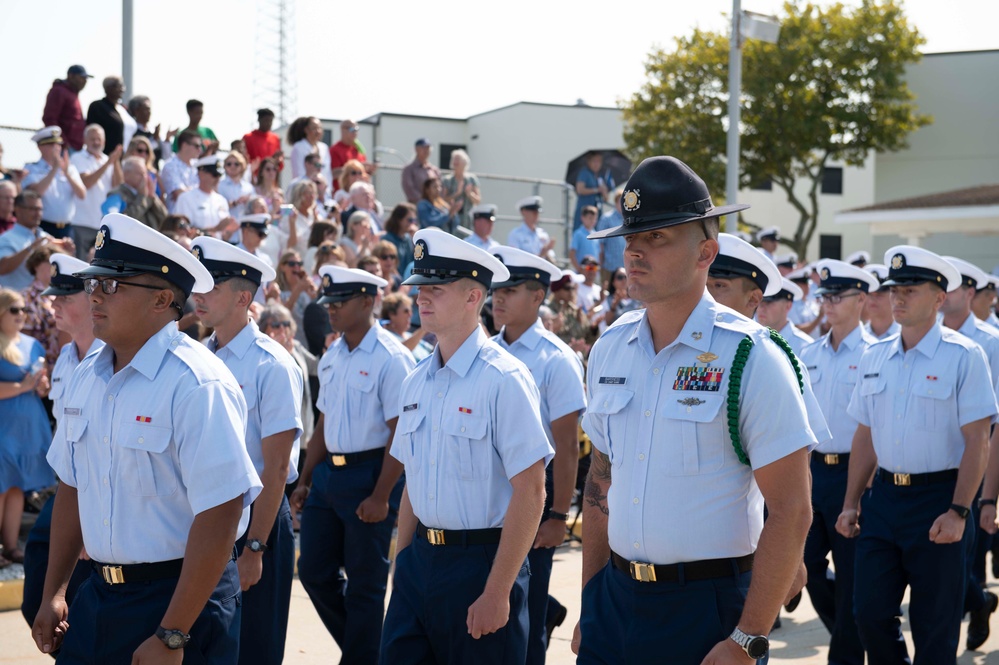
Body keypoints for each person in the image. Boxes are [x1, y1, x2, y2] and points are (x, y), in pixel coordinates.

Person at [575, 156, 817, 664]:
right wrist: (591, 601)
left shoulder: (752, 356)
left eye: (658, 237)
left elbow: (792, 510)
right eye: (631, 238)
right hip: (614, 602)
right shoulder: (611, 348)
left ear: (706, 252)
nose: (635, 250)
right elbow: (600, 484)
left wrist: (748, 638)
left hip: (707, 609)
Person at [32, 212, 263, 662]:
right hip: (100, 593)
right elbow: (72, 486)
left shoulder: (197, 382)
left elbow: (221, 513)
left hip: (180, 600)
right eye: (94, 283)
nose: (95, 296)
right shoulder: (88, 375)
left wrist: (173, 634)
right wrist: (54, 591)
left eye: (112, 286)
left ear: (161, 300)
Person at [380, 229, 552, 665]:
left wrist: (497, 591)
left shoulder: (504, 379)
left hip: (482, 564)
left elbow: (531, 490)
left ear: (474, 296)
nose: (421, 298)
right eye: (420, 288)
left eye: (436, 289)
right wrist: (403, 567)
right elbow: (412, 486)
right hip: (421, 562)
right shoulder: (416, 380)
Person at [836, 245, 997, 665]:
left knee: (934, 627)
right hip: (885, 499)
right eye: (894, 290)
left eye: (911, 289)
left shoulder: (964, 356)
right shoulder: (876, 357)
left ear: (940, 298)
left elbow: (979, 440)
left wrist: (960, 510)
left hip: (939, 499)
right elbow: (865, 436)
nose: (899, 298)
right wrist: (851, 503)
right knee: (868, 615)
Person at [291, 265, 415, 663]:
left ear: (368, 301)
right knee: (313, 570)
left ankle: (362, 656)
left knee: (365, 584)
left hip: (371, 473)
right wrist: (306, 480)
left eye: (340, 302)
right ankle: (371, 652)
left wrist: (382, 494)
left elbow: (401, 432)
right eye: (328, 302)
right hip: (329, 476)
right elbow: (324, 424)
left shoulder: (392, 357)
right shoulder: (333, 354)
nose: (331, 309)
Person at [192, 237, 303, 665]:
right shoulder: (200, 355)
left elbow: (275, 468)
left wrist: (255, 547)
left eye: (211, 287)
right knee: (209, 642)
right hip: (209, 517)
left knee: (255, 646)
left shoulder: (271, 364)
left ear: (243, 297)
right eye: (197, 285)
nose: (199, 296)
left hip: (257, 519)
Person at [491, 245, 586, 663]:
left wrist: (558, 517)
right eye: (495, 290)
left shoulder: (556, 360)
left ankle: (543, 616)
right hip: (489, 496)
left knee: (524, 623)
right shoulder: (484, 350)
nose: (498, 298)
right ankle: (548, 611)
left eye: (510, 290)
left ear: (537, 296)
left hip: (534, 496)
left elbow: (566, 446)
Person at [796, 259, 879, 665]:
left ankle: (845, 654)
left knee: (850, 576)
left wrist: (863, 488)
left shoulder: (872, 354)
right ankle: (849, 633)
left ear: (861, 299)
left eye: (837, 296)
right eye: (824, 295)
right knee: (806, 563)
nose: (827, 303)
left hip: (854, 474)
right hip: (812, 473)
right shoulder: (809, 353)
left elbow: (875, 428)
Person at [21, 253, 102, 628]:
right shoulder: (68, 357)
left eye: (64, 298)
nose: (53, 304)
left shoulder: (112, 359)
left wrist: (90, 519)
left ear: (91, 299)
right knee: (38, 584)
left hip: (99, 495)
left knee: (85, 603)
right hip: (69, 489)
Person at [941, 255, 999, 650]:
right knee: (946, 563)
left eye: (952, 286)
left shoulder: (990, 344)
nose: (943, 294)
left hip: (975, 460)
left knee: (967, 558)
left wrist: (989, 495)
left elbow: (993, 425)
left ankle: (975, 603)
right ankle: (979, 601)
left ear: (970, 292)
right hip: (933, 462)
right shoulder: (921, 335)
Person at [0, 287, 54, 567]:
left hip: (28, 424)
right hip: (3, 425)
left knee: (17, 487)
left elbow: (41, 389)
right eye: (14, 310)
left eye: (23, 309)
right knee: (1, 486)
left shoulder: (34, 345)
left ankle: (10, 547)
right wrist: (22, 386)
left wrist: (41, 386)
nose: (21, 315)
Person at [0, 191, 75, 291]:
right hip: (16, 302)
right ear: (17, 209)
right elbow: (2, 268)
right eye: (33, 209)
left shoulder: (46, 237)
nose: (38, 213)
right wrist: (31, 248)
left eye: (40, 209)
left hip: (45, 301)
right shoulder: (6, 238)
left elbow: (64, 272)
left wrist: (68, 253)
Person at [22, 127, 85, 240]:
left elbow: (82, 194)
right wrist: (54, 170)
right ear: (40, 147)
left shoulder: (70, 169)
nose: (56, 148)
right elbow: (36, 193)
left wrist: (66, 174)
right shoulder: (32, 168)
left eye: (59, 145)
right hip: (44, 226)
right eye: (51, 145)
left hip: (67, 228)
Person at [70, 125, 122, 258]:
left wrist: (115, 162)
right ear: (85, 140)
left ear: (104, 142)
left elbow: (118, 186)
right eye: (92, 139)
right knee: (80, 265)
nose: (96, 142)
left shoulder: (107, 160)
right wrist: (108, 163)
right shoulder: (77, 158)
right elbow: (87, 182)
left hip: (103, 225)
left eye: (99, 139)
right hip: (82, 222)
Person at [174, 154, 237, 236]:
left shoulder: (221, 200)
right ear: (201, 173)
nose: (217, 179)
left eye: (219, 175)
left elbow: (224, 236)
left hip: (218, 247)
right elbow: (183, 232)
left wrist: (229, 231)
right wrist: (215, 229)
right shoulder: (186, 198)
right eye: (214, 175)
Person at [101, 156, 169, 231]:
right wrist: (141, 197)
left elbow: (165, 220)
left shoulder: (148, 195)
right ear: (126, 174)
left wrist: (153, 197)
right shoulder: (117, 194)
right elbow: (121, 222)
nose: (144, 178)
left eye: (145, 174)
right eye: (139, 174)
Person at [21, 246, 62, 365]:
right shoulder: (26, 296)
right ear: (36, 265)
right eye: (49, 262)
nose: (53, 267)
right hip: (39, 365)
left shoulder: (60, 294)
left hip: (61, 363)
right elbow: (24, 338)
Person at [756, 277, 814, 355]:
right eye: (760, 301)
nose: (761, 308)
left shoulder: (805, 347)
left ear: (788, 306)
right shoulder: (751, 339)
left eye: (769, 302)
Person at [42, 65, 91, 153]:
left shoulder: (72, 93)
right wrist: (63, 143)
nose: (84, 81)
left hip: (76, 147)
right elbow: (49, 119)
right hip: (65, 148)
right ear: (71, 76)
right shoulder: (59, 91)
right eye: (81, 77)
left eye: (86, 78)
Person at [85, 76, 135, 155]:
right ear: (109, 88)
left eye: (123, 86)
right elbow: (92, 131)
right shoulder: (97, 106)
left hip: (126, 157)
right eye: (119, 86)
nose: (122, 89)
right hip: (107, 157)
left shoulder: (123, 108)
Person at [161, 129, 202, 212]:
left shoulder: (198, 165)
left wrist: (189, 191)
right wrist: (200, 192)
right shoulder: (170, 165)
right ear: (184, 145)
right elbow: (180, 194)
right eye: (196, 146)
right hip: (178, 218)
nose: (200, 150)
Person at [128, 95, 175, 165]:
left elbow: (167, 157)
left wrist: (167, 139)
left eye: (149, 109)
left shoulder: (153, 131)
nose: (149, 112)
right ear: (136, 111)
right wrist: (155, 140)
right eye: (146, 109)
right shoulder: (131, 130)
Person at [441, 149, 481, 231]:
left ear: (464, 162)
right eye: (454, 159)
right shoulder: (447, 180)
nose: (455, 162)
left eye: (458, 159)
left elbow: (478, 200)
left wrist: (469, 194)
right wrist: (456, 194)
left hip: (468, 219)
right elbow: (442, 200)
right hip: (451, 218)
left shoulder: (472, 179)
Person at [288, 116, 333, 185]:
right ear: (306, 130)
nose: (318, 131)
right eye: (314, 128)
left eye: (319, 128)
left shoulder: (324, 147)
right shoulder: (298, 147)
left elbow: (327, 173)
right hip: (304, 190)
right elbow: (299, 172)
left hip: (323, 192)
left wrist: (326, 191)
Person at [861, 264, 901, 340]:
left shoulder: (905, 336)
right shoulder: (859, 337)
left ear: (893, 294)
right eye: (869, 294)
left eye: (879, 294)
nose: (872, 299)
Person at [596, 267, 642, 333]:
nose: (623, 280)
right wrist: (614, 306)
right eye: (620, 277)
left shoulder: (638, 299)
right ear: (613, 282)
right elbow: (606, 321)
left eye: (625, 277)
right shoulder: (608, 299)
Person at [329, 119, 372, 189]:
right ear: (343, 130)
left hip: (358, 193)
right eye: (352, 129)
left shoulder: (359, 149)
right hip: (342, 194)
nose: (355, 132)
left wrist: (369, 170)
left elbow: (363, 174)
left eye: (357, 129)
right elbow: (333, 174)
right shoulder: (334, 150)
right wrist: (355, 167)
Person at [573, 151, 610, 231]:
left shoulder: (600, 176)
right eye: (594, 161)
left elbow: (606, 198)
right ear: (589, 162)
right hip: (585, 212)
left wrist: (604, 191)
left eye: (599, 161)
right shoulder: (584, 172)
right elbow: (580, 189)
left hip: (596, 213)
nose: (597, 164)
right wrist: (596, 190)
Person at [596, 190, 626, 287]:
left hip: (624, 266)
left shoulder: (628, 219)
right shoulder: (606, 218)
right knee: (606, 292)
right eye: (620, 201)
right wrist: (600, 264)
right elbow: (600, 243)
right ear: (616, 202)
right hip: (608, 266)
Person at [243, 108, 284, 179]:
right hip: (254, 177)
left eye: (270, 121)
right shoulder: (248, 137)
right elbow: (244, 159)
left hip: (270, 177)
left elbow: (279, 162)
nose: (268, 123)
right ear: (259, 120)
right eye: (266, 120)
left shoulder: (275, 138)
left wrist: (277, 160)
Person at [401, 138, 441, 204]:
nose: (426, 151)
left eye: (428, 148)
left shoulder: (434, 170)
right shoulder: (409, 169)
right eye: (423, 148)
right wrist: (424, 202)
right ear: (416, 149)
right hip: (417, 206)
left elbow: (440, 188)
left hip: (434, 206)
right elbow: (409, 189)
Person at [219, 151, 255, 220]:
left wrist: (249, 202)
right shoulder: (219, 185)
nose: (233, 166)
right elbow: (217, 207)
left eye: (236, 164)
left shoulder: (249, 187)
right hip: (226, 227)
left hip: (245, 227)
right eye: (229, 164)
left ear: (242, 166)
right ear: (224, 166)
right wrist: (235, 203)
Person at [382, 203, 416, 272]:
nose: (412, 224)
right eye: (409, 220)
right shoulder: (387, 239)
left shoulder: (408, 238)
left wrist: (415, 242)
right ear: (399, 220)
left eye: (414, 220)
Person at [570, 206, 601, 273]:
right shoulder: (578, 234)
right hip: (581, 272)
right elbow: (572, 254)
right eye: (590, 218)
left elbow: (598, 254)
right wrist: (578, 269)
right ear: (582, 218)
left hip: (593, 272)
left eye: (595, 218)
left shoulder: (596, 235)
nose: (593, 221)